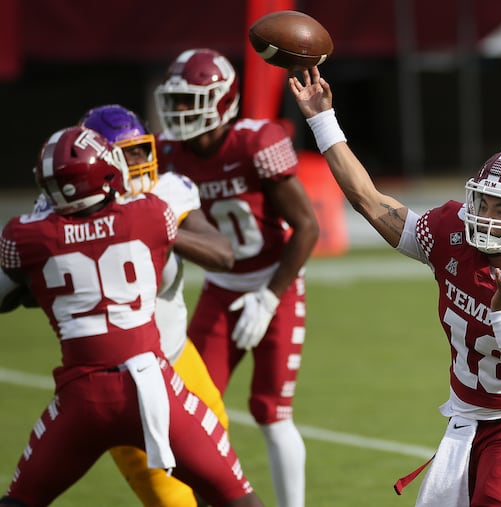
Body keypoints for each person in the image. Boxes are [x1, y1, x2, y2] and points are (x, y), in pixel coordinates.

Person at [288, 66, 501, 507]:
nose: (486, 216)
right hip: (462, 422)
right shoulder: (450, 233)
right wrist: (323, 119)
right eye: (483, 202)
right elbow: (369, 200)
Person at [0, 125, 265, 506]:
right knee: (237, 498)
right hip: (151, 386)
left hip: (81, 397)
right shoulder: (149, 214)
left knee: (20, 500)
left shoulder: (27, 237)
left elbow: (9, 294)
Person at [154, 48, 319, 507]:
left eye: (192, 100)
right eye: (177, 101)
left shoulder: (255, 141)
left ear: (223, 100)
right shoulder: (167, 153)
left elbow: (307, 228)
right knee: (192, 409)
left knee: (271, 412)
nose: (181, 111)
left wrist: (268, 297)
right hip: (219, 290)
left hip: (275, 285)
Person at [79, 104, 235, 506]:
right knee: (172, 502)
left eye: (140, 149)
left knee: (226, 492)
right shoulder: (71, 213)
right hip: (120, 383)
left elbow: (223, 255)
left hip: (180, 360)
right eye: (126, 153)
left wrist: (154, 227)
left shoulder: (166, 192)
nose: (139, 162)